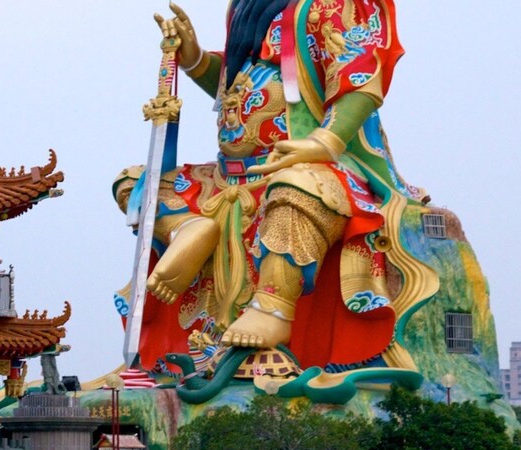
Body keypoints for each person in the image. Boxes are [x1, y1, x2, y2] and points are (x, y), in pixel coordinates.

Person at [120, 0, 416, 373]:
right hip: (228, 176)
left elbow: (361, 75)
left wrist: (325, 141)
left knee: (299, 189)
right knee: (136, 183)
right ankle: (187, 228)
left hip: (307, 165)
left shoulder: (335, 5)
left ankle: (273, 306)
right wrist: (195, 60)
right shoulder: (246, 8)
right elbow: (233, 87)